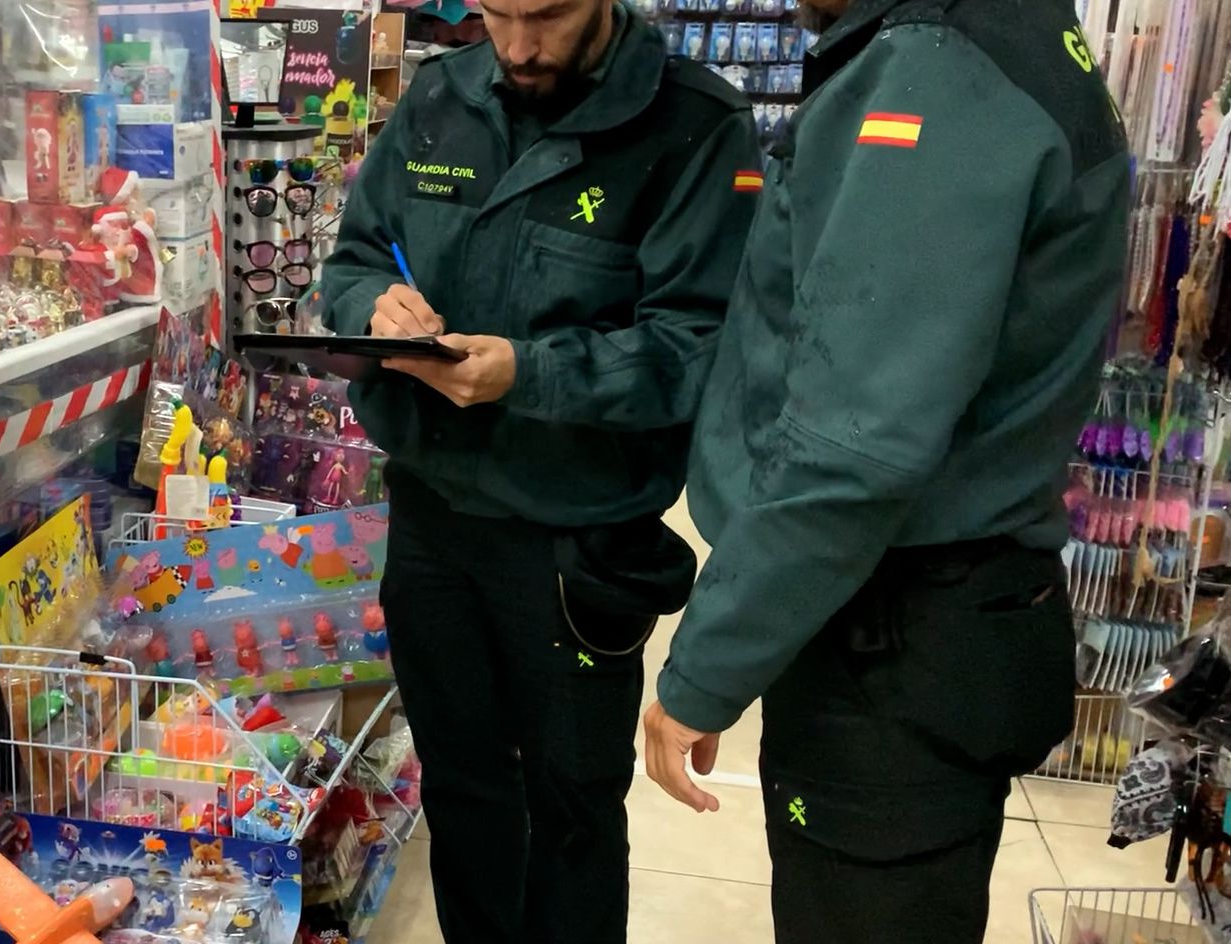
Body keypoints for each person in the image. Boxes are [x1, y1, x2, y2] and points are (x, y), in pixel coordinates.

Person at [642, 0, 1130, 941]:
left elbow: (852, 448)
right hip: (930, 620)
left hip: (895, 636)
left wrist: (704, 671)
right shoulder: (1012, 39)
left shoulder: (941, 71)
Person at [321, 0, 763, 939]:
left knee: (570, 812)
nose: (518, 46)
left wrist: (530, 372)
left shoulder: (694, 125)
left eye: (548, 16)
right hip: (434, 524)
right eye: (497, 13)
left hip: (575, 543)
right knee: (466, 797)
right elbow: (355, 257)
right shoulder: (439, 97)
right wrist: (374, 307)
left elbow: (696, 348)